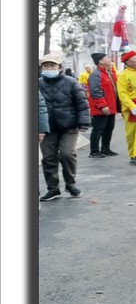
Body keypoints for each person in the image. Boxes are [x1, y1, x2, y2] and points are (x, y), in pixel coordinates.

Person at [38, 50, 89, 200]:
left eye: (52, 65)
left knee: (67, 154)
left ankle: (71, 184)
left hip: (69, 126)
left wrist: (84, 121)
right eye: (46, 66)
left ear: (59, 67)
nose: (49, 68)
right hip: (47, 127)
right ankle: (53, 188)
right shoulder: (38, 83)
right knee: (48, 157)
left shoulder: (71, 82)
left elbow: (81, 103)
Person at [86, 53, 120, 158]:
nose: (110, 59)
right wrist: (102, 105)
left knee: (109, 128)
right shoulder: (96, 75)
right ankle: (94, 151)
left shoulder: (108, 73)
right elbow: (96, 92)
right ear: (100, 61)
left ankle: (105, 148)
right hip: (101, 108)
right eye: (107, 58)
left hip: (110, 107)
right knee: (98, 129)